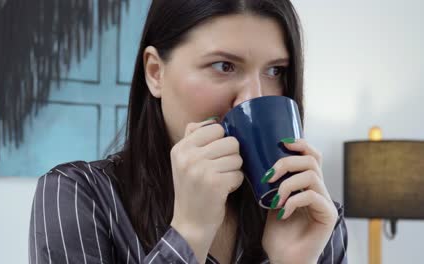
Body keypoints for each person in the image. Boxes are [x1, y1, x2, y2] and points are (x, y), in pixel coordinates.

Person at [28, 0, 348, 263]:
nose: (254, 97)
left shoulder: (315, 217)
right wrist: (189, 233)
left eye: (275, 70)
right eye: (224, 66)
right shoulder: (78, 196)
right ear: (155, 73)